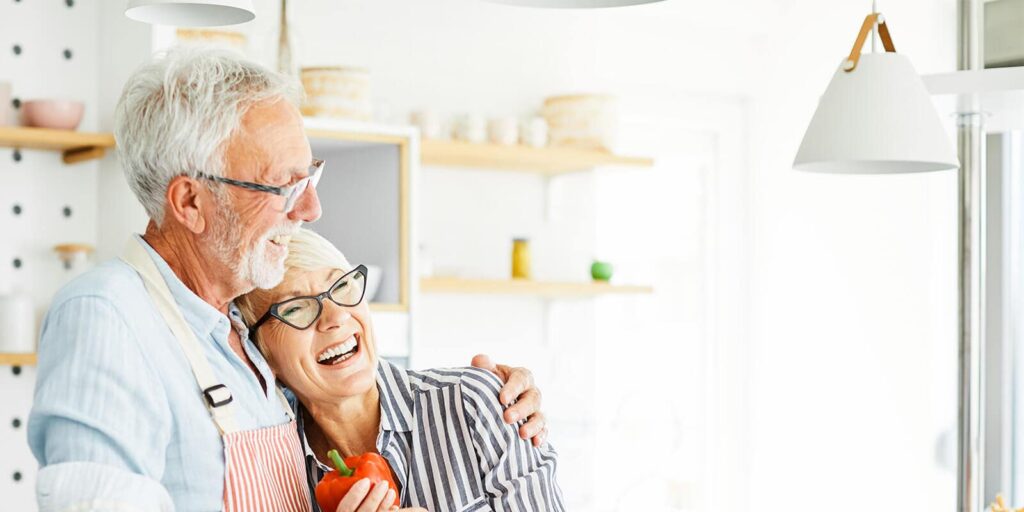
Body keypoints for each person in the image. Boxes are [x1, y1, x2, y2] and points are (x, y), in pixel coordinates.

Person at [27, 47, 546, 512]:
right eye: (282, 186)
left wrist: (496, 391)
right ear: (190, 203)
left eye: (309, 178)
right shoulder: (109, 314)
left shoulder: (241, 336)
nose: (312, 209)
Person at [237, 228, 565, 511]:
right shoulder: (272, 467)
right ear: (258, 351)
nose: (336, 317)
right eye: (296, 308)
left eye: (341, 287)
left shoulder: (473, 404)